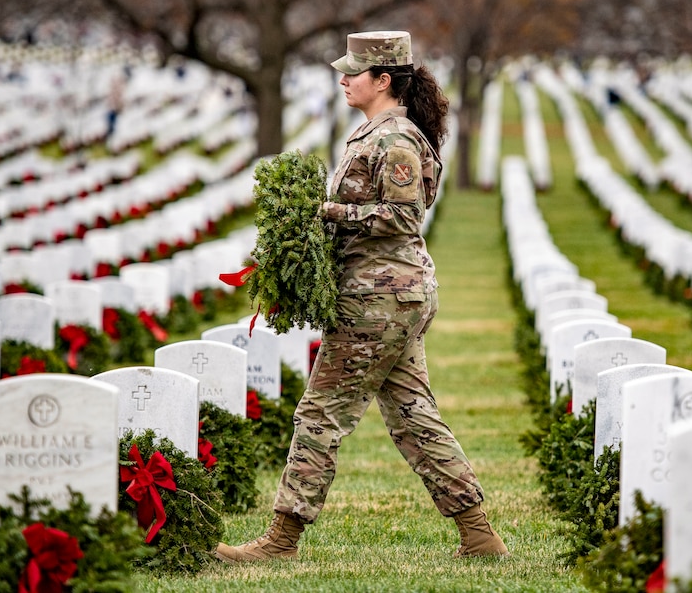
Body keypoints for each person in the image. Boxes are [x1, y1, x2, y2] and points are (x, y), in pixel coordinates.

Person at [213, 30, 508, 563]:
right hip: (388, 294)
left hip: (380, 297)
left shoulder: (393, 139)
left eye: (354, 73)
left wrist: (328, 214)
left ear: (384, 80)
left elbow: (403, 217)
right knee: (413, 414)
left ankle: (280, 541)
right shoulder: (377, 133)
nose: (344, 79)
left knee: (320, 412)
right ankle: (480, 536)